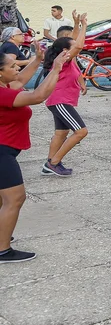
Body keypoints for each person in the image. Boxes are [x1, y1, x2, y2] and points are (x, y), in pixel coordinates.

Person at [1, 45, 69, 263]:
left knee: (3, 199)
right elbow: (38, 95)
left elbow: (20, 80)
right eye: (12, 66)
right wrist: (56, 69)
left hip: (6, 151)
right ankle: (3, 251)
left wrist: (38, 60)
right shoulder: (2, 93)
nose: (16, 68)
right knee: (15, 198)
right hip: (1, 153)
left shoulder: (7, 84)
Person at [41, 11, 88, 178]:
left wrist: (76, 25)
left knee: (61, 133)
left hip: (60, 101)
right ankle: (53, 163)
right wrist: (84, 26)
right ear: (65, 50)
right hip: (60, 101)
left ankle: (50, 163)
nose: (75, 46)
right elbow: (78, 45)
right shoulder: (64, 58)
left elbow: (73, 41)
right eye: (72, 46)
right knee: (81, 131)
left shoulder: (68, 57)